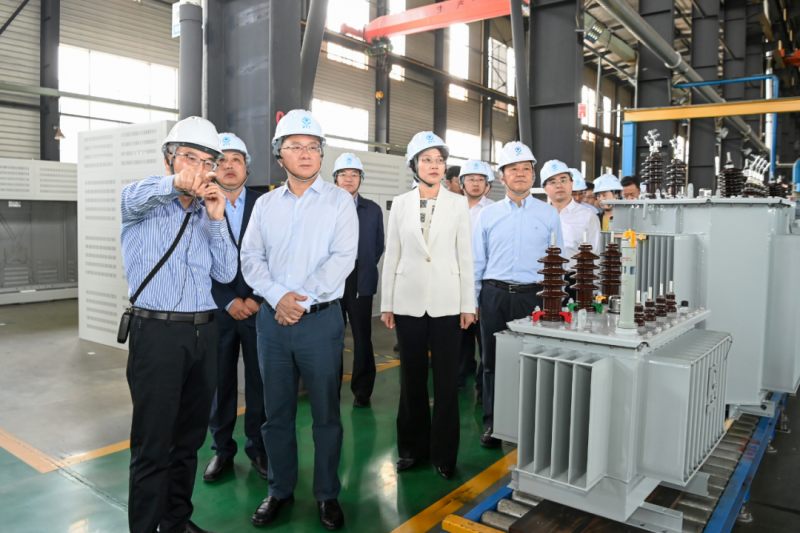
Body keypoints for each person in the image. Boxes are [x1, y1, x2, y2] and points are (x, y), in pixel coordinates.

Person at [241, 110, 358, 531]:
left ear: (321, 154)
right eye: (295, 146)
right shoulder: (265, 205)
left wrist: (298, 301)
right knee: (276, 414)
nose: (306, 154)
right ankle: (279, 489)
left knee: (326, 413)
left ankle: (327, 494)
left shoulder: (340, 201)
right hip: (272, 323)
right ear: (279, 154)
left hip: (320, 322)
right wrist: (278, 297)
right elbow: (250, 257)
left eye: (313, 147)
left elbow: (342, 259)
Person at [121, 116, 238, 533]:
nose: (199, 168)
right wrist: (176, 184)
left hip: (204, 333)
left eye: (208, 161)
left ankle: (176, 521)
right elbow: (134, 197)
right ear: (169, 157)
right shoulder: (142, 201)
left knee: (188, 441)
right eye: (189, 157)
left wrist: (218, 219)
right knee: (153, 446)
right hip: (158, 334)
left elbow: (226, 272)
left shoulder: (209, 213)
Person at [380, 131, 475, 480]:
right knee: (412, 379)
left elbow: (465, 255)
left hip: (448, 302)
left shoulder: (458, 203)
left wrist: (468, 304)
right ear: (414, 165)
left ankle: (444, 454)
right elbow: (392, 254)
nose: (434, 166)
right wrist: (387, 302)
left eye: (439, 160)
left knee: (447, 382)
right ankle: (412, 450)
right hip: (408, 302)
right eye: (426, 160)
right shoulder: (401, 203)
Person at [472, 142, 563, 448]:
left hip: (534, 297)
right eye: (513, 169)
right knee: (492, 362)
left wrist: (556, 301)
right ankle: (493, 423)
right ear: (502, 177)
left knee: (533, 360)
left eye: (526, 168)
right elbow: (477, 261)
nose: (520, 173)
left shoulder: (549, 214)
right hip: (494, 295)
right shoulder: (488, 215)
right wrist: (473, 300)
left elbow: (557, 262)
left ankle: (529, 425)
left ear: (533, 175)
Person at [203, 133, 267, 483]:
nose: (229, 166)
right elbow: (197, 259)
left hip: (258, 309)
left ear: (246, 167)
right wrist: (228, 299)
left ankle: (258, 447)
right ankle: (222, 450)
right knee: (220, 383)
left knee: (259, 382)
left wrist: (255, 297)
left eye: (236, 160)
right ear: (212, 168)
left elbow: (276, 254)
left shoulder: (266, 204)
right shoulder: (199, 204)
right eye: (221, 160)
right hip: (219, 310)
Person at [332, 153, 385, 407]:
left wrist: (362, 266)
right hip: (330, 280)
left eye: (354, 174)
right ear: (335, 179)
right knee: (331, 337)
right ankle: (329, 388)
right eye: (343, 174)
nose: (348, 179)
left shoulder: (372, 210)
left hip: (360, 279)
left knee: (363, 337)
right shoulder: (324, 207)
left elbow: (378, 246)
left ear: (361, 179)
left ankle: (362, 391)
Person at [456, 159, 495, 402]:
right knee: (459, 334)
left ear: (487, 185)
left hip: (485, 278)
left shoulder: (494, 210)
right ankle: (458, 380)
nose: (475, 183)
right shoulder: (452, 208)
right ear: (461, 183)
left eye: (481, 179)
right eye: (470, 179)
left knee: (485, 335)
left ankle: (483, 387)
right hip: (456, 279)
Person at [541, 160, 601, 302]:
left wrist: (594, 291)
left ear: (571, 184)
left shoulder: (587, 216)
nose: (559, 185)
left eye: (564, 180)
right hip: (540, 282)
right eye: (553, 181)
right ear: (545, 188)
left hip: (574, 283)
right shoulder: (537, 215)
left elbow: (595, 255)